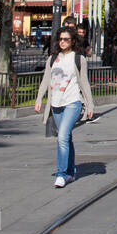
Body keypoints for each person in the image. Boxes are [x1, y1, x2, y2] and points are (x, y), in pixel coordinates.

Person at [34, 28, 95, 187]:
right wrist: (39, 99)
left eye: (66, 39)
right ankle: (70, 171)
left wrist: (90, 104)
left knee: (61, 137)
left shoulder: (78, 59)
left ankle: (61, 174)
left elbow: (84, 83)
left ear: (72, 41)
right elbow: (46, 80)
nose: (62, 42)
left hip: (72, 102)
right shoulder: (52, 59)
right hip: (56, 103)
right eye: (60, 39)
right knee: (66, 137)